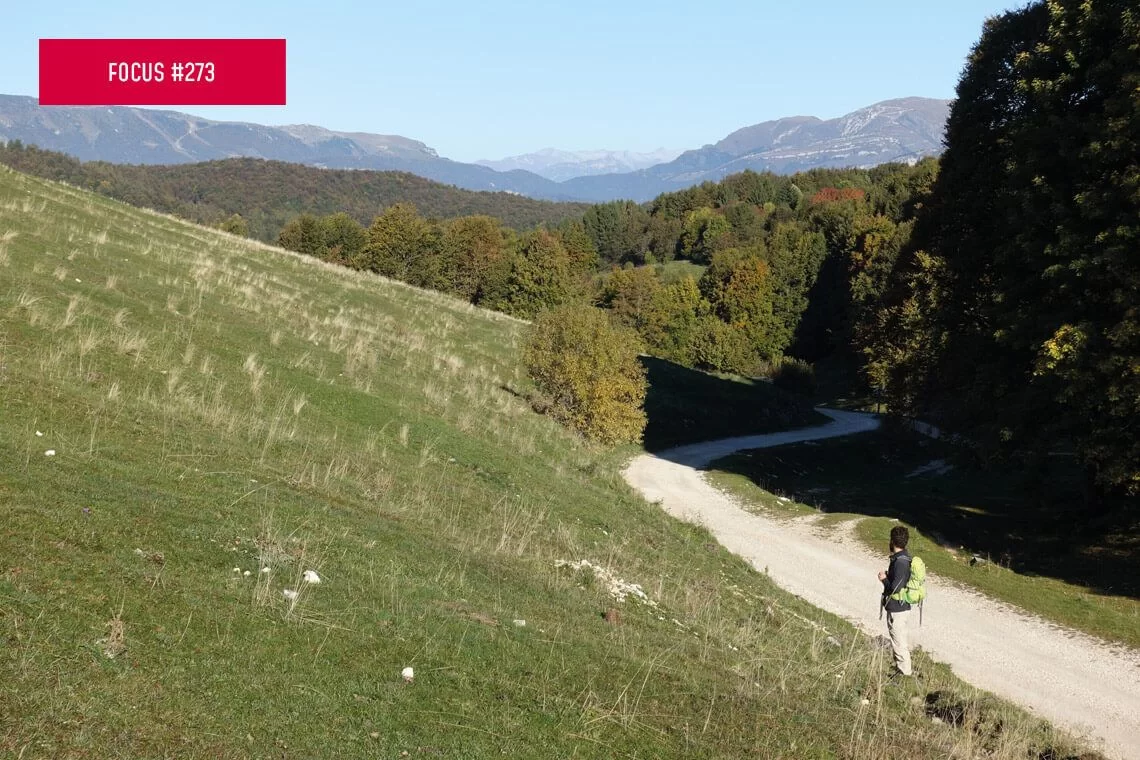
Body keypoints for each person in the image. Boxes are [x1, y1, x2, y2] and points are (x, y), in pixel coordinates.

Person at [878, 525, 913, 677]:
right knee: (899, 640)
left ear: (892, 541)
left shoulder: (900, 562)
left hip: (897, 609)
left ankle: (904, 674)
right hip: (901, 607)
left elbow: (895, 588)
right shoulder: (904, 558)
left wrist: (884, 579)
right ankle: (902, 670)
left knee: (899, 643)